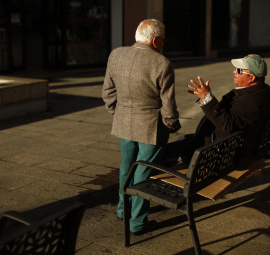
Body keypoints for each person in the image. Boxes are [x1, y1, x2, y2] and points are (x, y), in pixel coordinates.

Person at [102, 19, 180, 235]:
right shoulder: (162, 63)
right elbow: (168, 105)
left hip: (124, 122)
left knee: (126, 167)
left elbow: (108, 92)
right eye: (163, 40)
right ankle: (137, 223)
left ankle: (122, 210)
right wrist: (172, 125)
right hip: (151, 127)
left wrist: (117, 113)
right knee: (144, 172)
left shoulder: (115, 54)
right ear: (155, 40)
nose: (164, 43)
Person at [164, 54, 270, 163]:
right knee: (182, 140)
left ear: (251, 78)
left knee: (162, 152)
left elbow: (228, 125)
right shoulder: (261, 91)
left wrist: (207, 99)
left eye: (239, 70)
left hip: (215, 151)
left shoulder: (253, 101)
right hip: (227, 146)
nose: (234, 72)